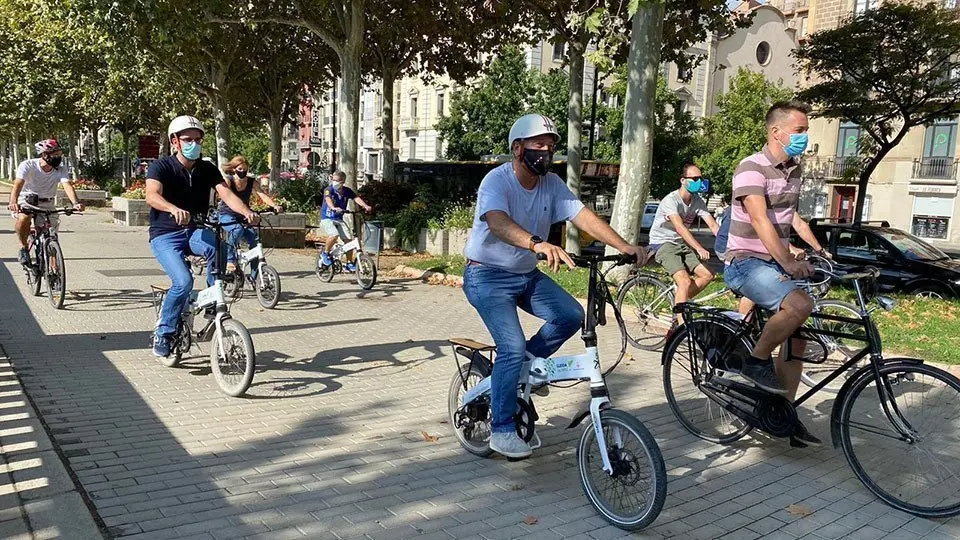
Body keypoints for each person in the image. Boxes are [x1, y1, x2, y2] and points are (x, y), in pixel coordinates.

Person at [462, 113, 646, 459]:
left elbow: (584, 215)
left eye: (550, 147)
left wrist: (624, 246)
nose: (546, 152)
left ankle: (522, 368)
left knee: (570, 315)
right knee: (511, 345)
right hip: (485, 275)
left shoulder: (552, 184)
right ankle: (501, 430)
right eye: (539, 145)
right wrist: (537, 243)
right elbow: (498, 222)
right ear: (518, 149)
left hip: (524, 274)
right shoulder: (496, 181)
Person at [722, 100, 830, 448]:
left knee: (797, 337)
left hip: (773, 261)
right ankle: (755, 361)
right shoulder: (750, 167)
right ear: (776, 132)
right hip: (745, 261)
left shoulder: (794, 170)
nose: (805, 137)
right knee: (799, 307)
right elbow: (759, 219)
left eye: (806, 130)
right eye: (800, 131)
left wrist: (812, 251)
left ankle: (781, 415)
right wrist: (786, 261)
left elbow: (789, 219)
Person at [146, 116, 259, 358]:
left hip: (194, 230)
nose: (194, 144)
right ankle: (164, 332)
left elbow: (226, 195)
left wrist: (247, 212)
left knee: (218, 246)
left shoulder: (207, 169)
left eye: (198, 140)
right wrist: (172, 209)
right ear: (174, 141)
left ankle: (211, 300)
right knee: (183, 282)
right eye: (188, 140)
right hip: (165, 234)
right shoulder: (161, 166)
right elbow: (152, 195)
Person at [648, 163, 720, 316]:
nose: (698, 182)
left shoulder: (697, 201)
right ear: (683, 180)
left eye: (700, 178)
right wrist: (699, 248)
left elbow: (713, 225)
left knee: (708, 274)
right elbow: (680, 228)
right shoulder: (671, 200)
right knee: (685, 281)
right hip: (663, 243)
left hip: (680, 243)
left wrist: (732, 245)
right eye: (694, 179)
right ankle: (680, 328)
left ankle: (679, 302)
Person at [8, 139, 84, 265]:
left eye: (59, 154)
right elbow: (17, 185)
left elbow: (67, 186)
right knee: (23, 218)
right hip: (27, 200)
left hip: (47, 203)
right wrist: (13, 202)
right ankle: (23, 247)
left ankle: (54, 269)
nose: (58, 157)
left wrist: (75, 203)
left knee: (51, 235)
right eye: (54, 154)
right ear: (44, 155)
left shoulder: (60, 169)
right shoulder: (28, 165)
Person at [219, 155, 283, 273]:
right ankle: (230, 260)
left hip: (245, 215)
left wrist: (274, 206)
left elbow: (262, 195)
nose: (243, 172)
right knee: (237, 230)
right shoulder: (229, 181)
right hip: (227, 214)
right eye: (240, 170)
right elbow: (224, 195)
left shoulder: (252, 182)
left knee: (254, 238)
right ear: (233, 169)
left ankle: (255, 276)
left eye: (245, 170)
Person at [318, 171, 373, 272]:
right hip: (327, 218)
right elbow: (328, 200)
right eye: (333, 180)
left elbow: (356, 198)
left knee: (349, 241)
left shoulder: (347, 191)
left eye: (337, 181)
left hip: (339, 219)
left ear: (342, 182)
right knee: (334, 235)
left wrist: (365, 206)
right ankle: (325, 253)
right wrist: (333, 208)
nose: (334, 182)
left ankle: (349, 263)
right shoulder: (328, 190)